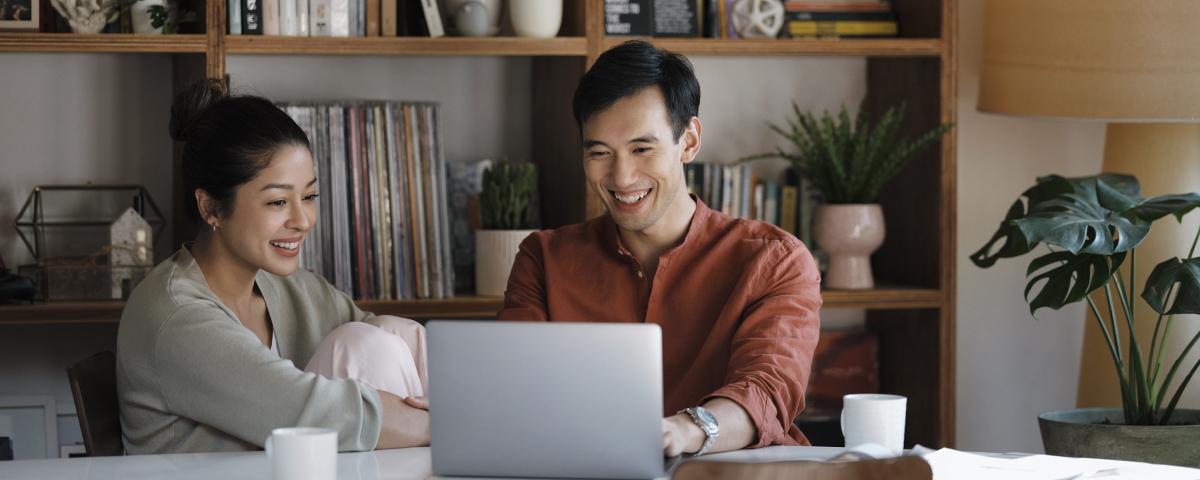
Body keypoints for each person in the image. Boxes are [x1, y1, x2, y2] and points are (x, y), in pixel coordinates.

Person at [497, 41, 822, 457]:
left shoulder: (775, 260)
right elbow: (512, 389)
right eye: (599, 152)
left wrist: (687, 430)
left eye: (642, 149)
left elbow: (766, 390)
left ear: (688, 141)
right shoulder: (543, 259)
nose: (621, 176)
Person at [117, 80, 429, 454]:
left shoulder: (291, 289)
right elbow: (310, 414)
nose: (303, 220)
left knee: (383, 333)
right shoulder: (174, 315)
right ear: (211, 207)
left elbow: (384, 350)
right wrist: (446, 422)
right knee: (367, 344)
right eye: (278, 202)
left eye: (309, 196)